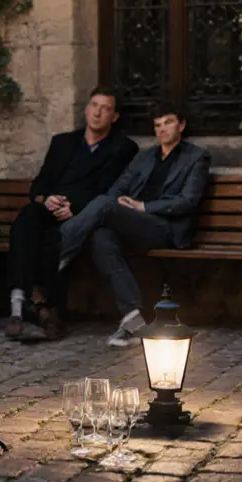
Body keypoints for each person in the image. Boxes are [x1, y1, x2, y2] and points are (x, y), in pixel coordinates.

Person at [65, 102, 211, 348]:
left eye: (168, 122)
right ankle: (133, 320)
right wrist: (122, 201)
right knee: (101, 236)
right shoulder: (144, 157)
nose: (162, 129)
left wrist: (143, 207)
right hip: (135, 226)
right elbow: (116, 191)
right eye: (157, 125)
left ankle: (58, 252)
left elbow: (188, 201)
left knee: (103, 206)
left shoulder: (197, 157)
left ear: (182, 125)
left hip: (166, 229)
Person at [5, 86, 138, 341]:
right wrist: (46, 200)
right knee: (26, 220)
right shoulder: (63, 142)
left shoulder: (123, 148)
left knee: (50, 242)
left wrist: (75, 207)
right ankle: (19, 297)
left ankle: (41, 307)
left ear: (115, 116)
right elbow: (39, 185)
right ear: (86, 109)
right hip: (51, 209)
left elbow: (110, 191)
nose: (98, 113)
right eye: (94, 106)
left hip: (83, 214)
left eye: (105, 109)